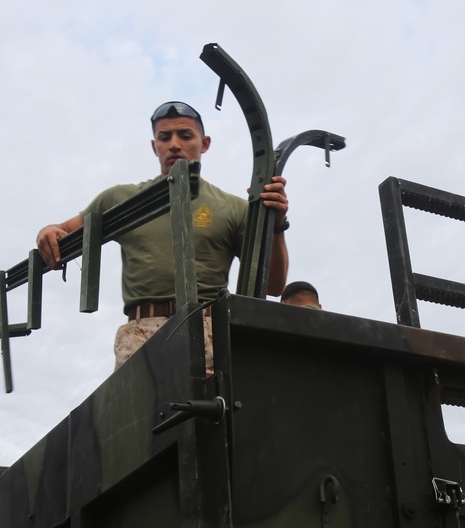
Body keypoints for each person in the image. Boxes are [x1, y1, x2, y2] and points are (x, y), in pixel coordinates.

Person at [36, 101, 290, 370]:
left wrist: (277, 224)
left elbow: (273, 286)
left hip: (209, 330)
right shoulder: (121, 200)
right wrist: (46, 231)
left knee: (218, 397)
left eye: (186, 136)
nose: (174, 145)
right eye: (165, 137)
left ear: (204, 143)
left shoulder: (233, 207)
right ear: (154, 146)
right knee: (134, 399)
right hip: (141, 332)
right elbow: (62, 232)